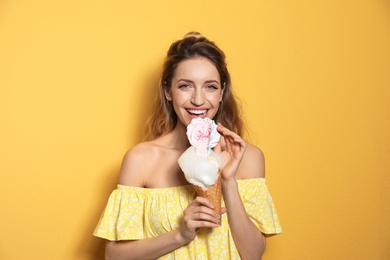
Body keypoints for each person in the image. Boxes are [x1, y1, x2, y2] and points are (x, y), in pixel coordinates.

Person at [93, 32, 282, 260]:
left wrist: (228, 180)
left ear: (222, 92)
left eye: (210, 87)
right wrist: (180, 235)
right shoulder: (141, 159)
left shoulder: (247, 157)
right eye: (186, 86)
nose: (198, 100)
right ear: (167, 92)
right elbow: (115, 257)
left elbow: (253, 255)